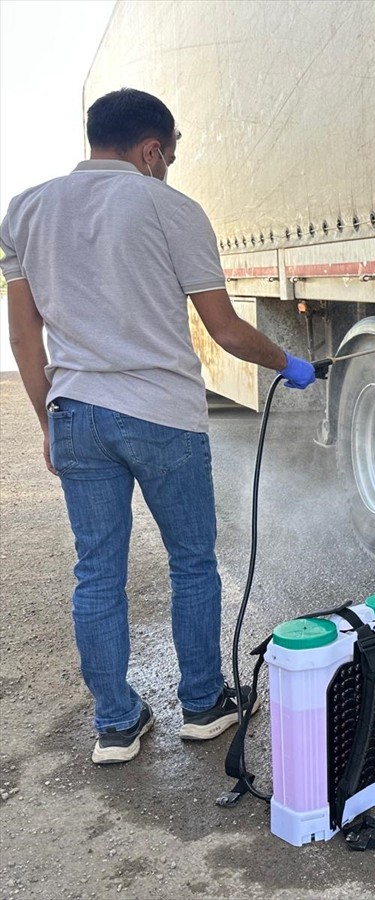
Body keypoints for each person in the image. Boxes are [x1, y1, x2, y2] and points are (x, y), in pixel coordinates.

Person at [0, 88, 316, 765]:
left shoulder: (24, 210)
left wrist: (49, 421)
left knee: (97, 574)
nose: (169, 164)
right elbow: (226, 330)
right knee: (193, 563)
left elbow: (24, 337)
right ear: (150, 150)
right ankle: (203, 705)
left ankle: (115, 724)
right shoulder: (170, 208)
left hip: (77, 415)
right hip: (164, 418)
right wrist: (289, 362)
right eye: (169, 154)